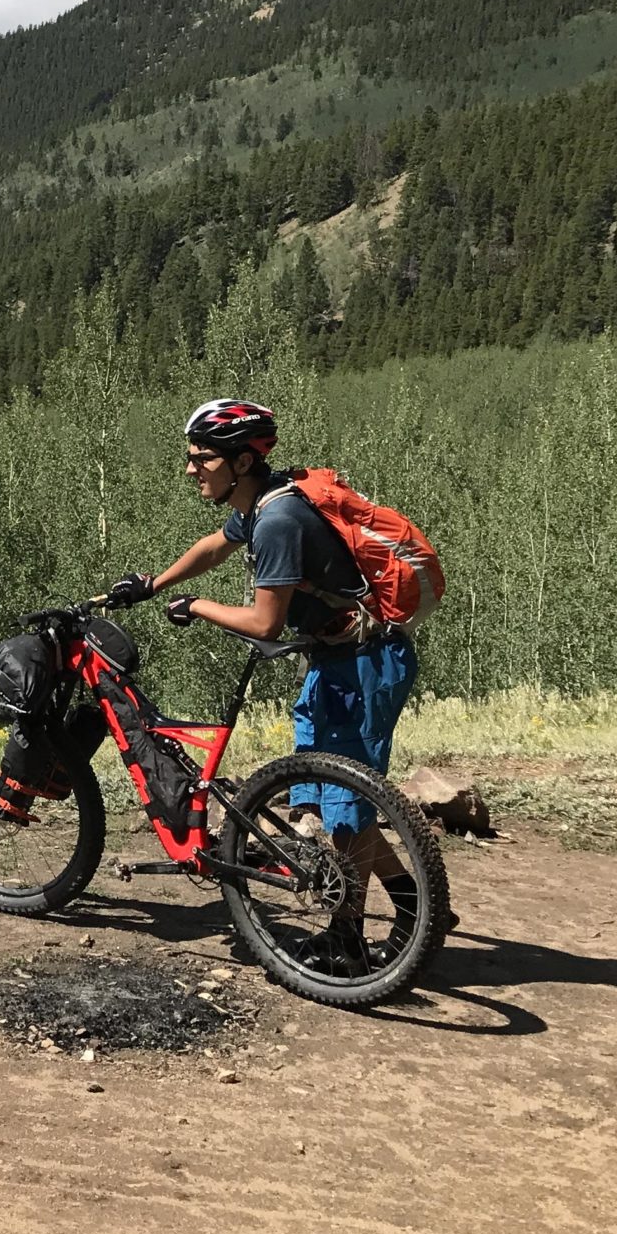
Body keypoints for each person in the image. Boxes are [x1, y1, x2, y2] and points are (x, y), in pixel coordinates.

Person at [109, 398, 431, 954]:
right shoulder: (260, 502)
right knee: (330, 794)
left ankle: (351, 935)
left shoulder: (279, 519)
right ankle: (412, 905)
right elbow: (216, 545)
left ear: (239, 462)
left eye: (201, 458)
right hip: (336, 660)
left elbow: (264, 624)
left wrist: (196, 607)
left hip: (366, 665)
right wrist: (154, 584)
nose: (191, 469)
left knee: (345, 805)